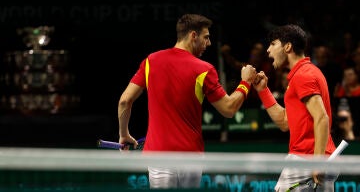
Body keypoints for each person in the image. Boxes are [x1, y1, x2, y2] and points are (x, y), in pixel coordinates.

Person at [117, 13, 257, 189]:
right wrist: (245, 83)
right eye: (206, 37)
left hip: (158, 156)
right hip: (190, 158)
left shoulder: (151, 61)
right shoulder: (204, 69)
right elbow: (229, 109)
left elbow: (125, 101)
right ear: (193, 35)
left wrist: (124, 134)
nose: (209, 43)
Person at [252, 24, 338, 191]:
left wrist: (317, 161)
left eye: (273, 44)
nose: (268, 50)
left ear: (288, 46)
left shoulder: (303, 75)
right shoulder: (307, 73)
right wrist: (263, 91)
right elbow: (285, 122)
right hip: (317, 158)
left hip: (306, 159)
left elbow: (321, 118)